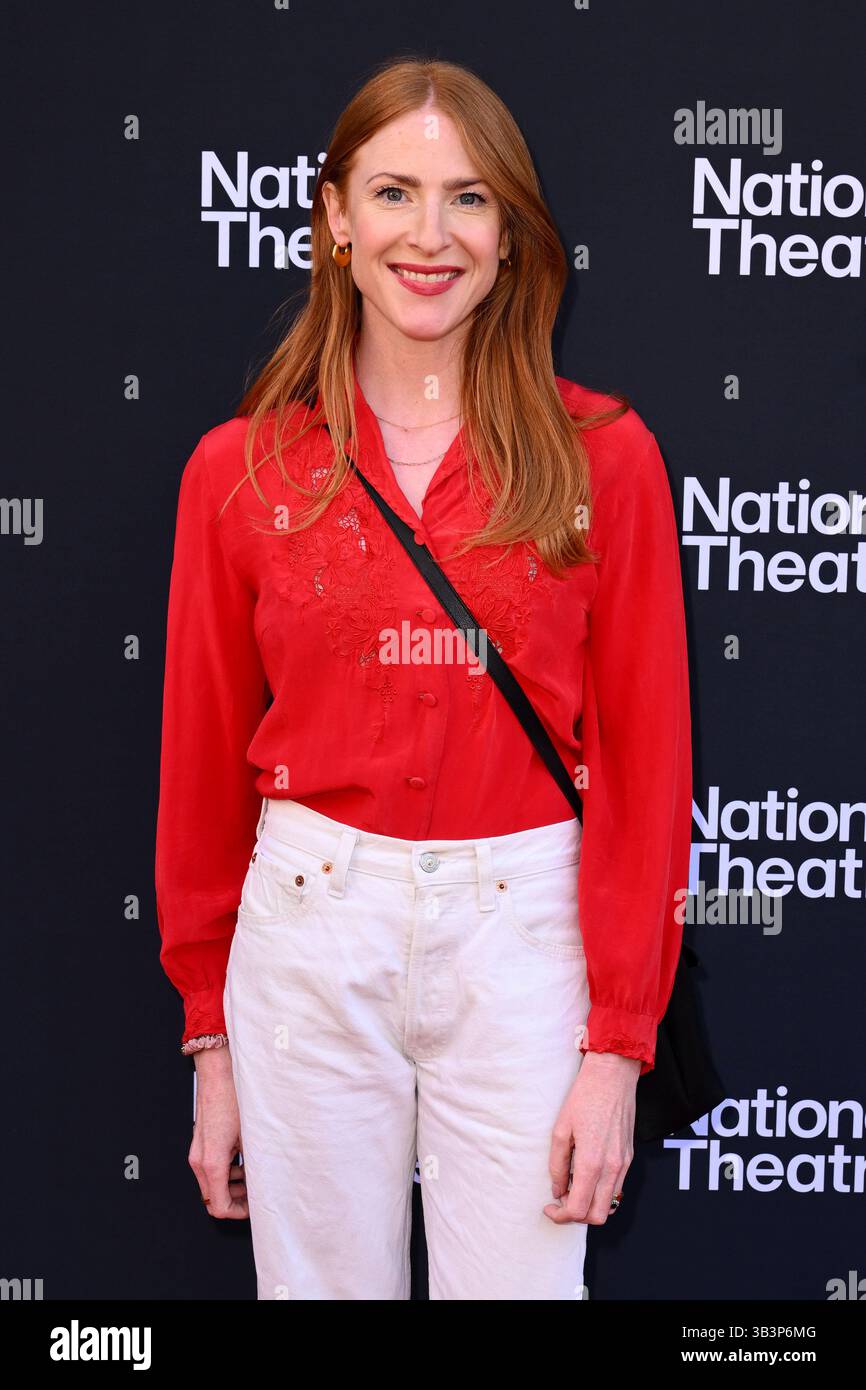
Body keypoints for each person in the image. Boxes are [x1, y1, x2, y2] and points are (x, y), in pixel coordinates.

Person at [154, 55, 692, 1301]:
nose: (429, 234)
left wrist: (615, 1049)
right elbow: (199, 772)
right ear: (336, 218)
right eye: (394, 193)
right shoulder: (237, 473)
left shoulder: (603, 461)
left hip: (523, 940)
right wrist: (211, 1041)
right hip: (306, 931)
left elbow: (646, 771)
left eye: (468, 199)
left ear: (510, 234)